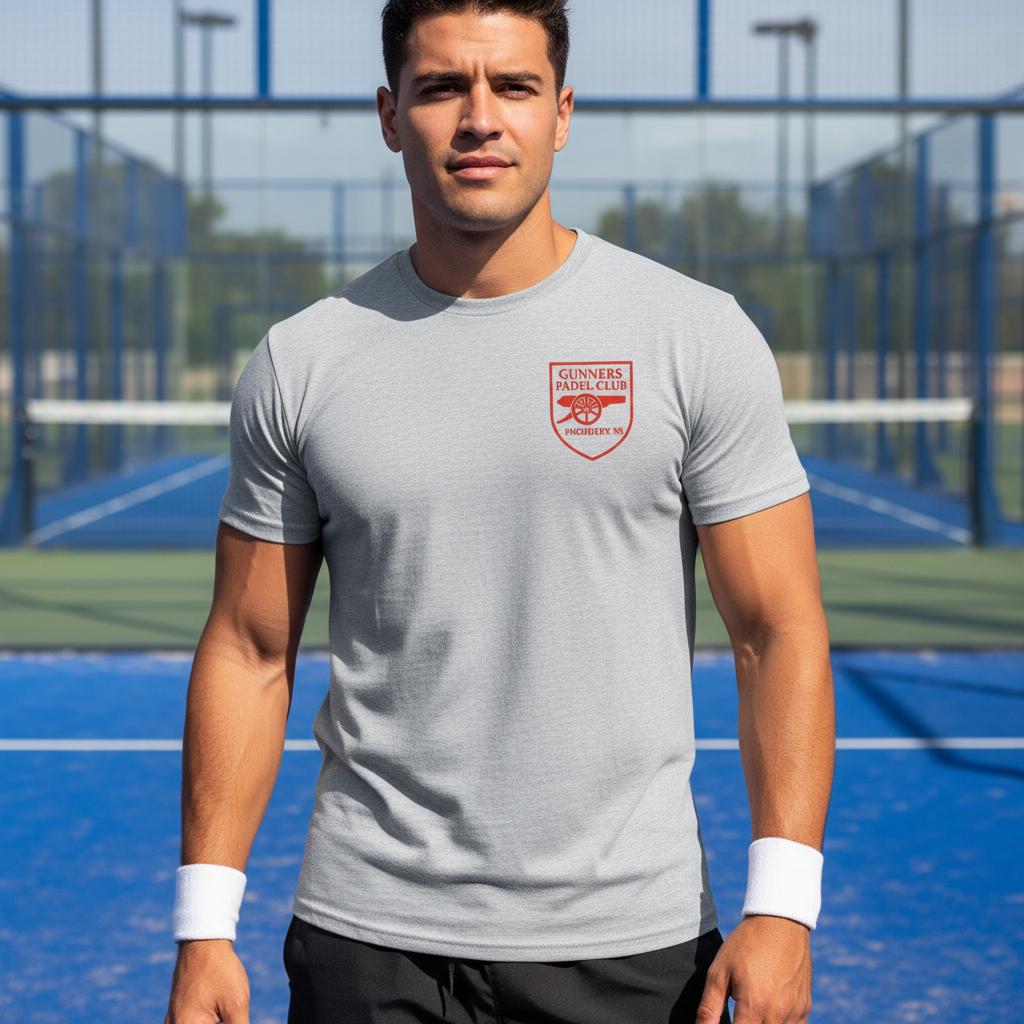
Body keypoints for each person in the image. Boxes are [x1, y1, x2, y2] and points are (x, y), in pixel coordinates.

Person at [164, 1, 836, 1022]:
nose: (480, 118)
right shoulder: (302, 361)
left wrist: (784, 907)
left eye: (513, 86)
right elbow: (251, 647)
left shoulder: (694, 337)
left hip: (628, 944)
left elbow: (775, 631)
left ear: (561, 113)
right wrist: (203, 925)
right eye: (442, 88)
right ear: (391, 116)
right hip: (365, 938)